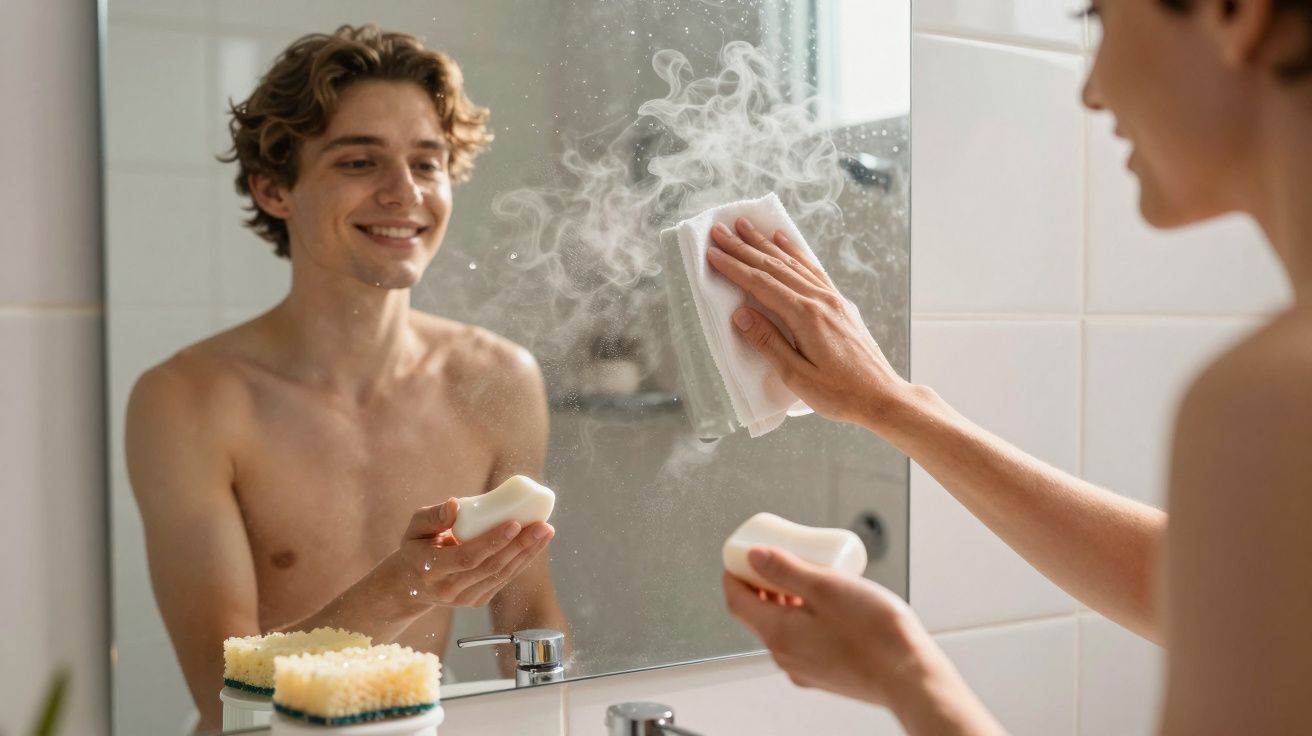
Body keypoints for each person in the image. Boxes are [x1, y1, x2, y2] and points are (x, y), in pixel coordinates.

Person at [713, 0, 1312, 732]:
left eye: (1100, 18)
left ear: (1237, 14)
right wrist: (890, 404)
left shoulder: (1272, 403)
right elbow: (1203, 588)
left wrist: (905, 674)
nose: (1092, 88)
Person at [124, 26, 566, 730]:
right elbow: (225, 696)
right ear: (274, 189)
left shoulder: (497, 378)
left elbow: (531, 631)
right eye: (360, 162)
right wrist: (405, 586)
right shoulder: (190, 400)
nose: (405, 193)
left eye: (428, 163)